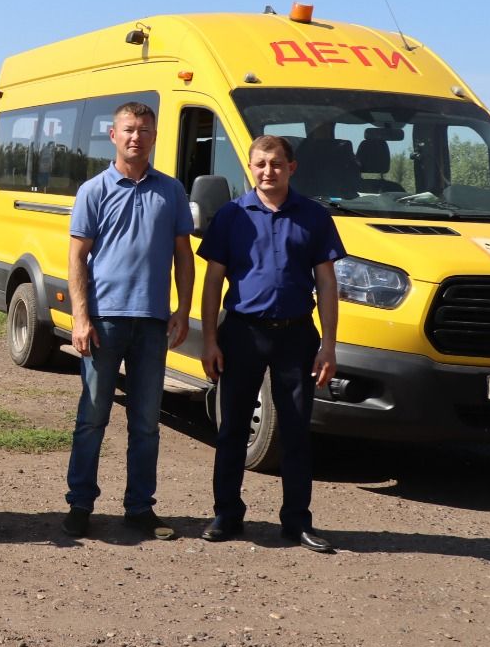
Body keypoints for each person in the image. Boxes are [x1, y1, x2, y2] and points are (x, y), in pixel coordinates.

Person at [198, 135, 344, 553]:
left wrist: (329, 345)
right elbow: (212, 282)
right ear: (250, 167)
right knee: (232, 429)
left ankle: (297, 522)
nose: (268, 172)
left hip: (297, 335)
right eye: (260, 164)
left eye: (276, 164)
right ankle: (227, 514)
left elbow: (327, 284)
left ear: (291, 168)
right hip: (242, 333)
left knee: (296, 431)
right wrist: (210, 340)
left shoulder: (314, 217)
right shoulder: (230, 216)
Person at [62, 101, 193, 541]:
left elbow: (183, 255)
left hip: (153, 322)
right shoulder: (93, 190)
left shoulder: (171, 191)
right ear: (113, 135)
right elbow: (77, 258)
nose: (136, 137)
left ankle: (139, 507)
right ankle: (80, 503)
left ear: (155, 137)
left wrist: (183, 310)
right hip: (104, 321)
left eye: (144, 130)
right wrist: (80, 318)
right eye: (128, 129)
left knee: (145, 422)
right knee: (92, 416)